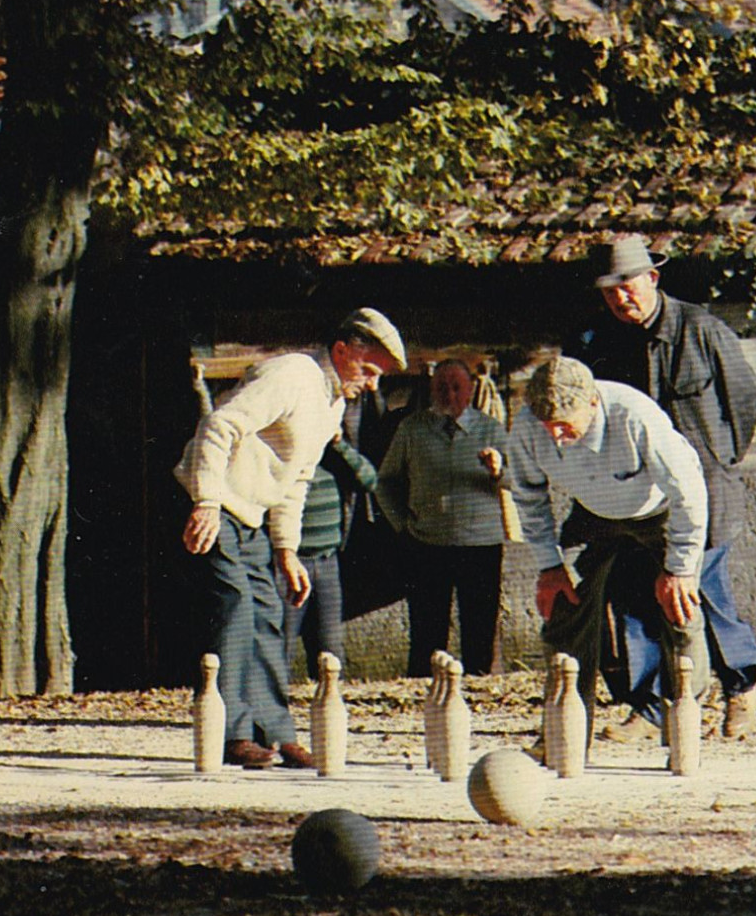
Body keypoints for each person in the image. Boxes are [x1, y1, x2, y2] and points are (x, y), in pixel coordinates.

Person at [175, 308, 407, 769]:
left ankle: (277, 734)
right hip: (213, 502)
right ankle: (233, 734)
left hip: (252, 516)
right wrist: (206, 501)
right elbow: (219, 426)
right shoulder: (292, 376)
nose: (373, 384)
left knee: (268, 614)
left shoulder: (332, 404)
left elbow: (296, 479)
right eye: (370, 369)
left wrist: (285, 550)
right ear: (342, 351)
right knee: (236, 605)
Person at [572, 235, 756, 740]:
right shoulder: (597, 342)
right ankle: (650, 706)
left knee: (705, 587)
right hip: (633, 495)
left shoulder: (700, 330)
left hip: (703, 489)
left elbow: (744, 401)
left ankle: (740, 688)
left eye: (628, 286)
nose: (620, 299)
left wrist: (721, 458)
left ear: (652, 279)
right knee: (637, 594)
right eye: (610, 291)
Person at [506, 356, 710, 742]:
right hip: (591, 513)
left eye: (566, 426)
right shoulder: (529, 427)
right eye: (549, 428)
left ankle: (684, 723)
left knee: (680, 609)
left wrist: (680, 568)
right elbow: (528, 496)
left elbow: (689, 493)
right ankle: (564, 732)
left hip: (659, 511)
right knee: (561, 605)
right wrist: (549, 566)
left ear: (593, 403)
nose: (557, 437)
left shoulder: (636, 416)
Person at [376, 359, 510, 677]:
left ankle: (477, 696)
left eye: (456, 388)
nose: (449, 395)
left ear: (470, 391)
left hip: (480, 545)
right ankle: (426, 697)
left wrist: (498, 471)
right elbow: (384, 481)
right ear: (431, 390)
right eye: (441, 387)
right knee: (426, 632)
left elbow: (519, 481)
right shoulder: (412, 429)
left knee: (479, 631)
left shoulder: (491, 429)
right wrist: (402, 524)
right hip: (427, 544)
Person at [284, 431, 380, 674]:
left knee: (330, 647)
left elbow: (369, 480)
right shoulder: (285, 455)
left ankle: (328, 704)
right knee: (281, 644)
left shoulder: (331, 457)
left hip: (327, 561)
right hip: (291, 564)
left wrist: (339, 444)